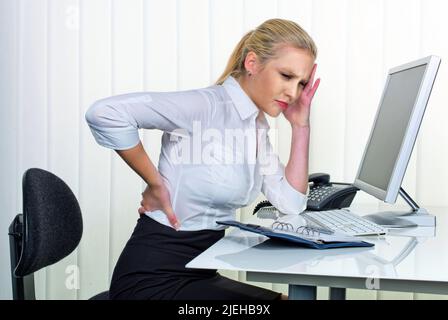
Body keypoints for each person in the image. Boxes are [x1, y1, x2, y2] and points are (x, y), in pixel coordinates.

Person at [85, 18, 320, 300]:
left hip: (199, 271)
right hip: (152, 280)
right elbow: (105, 113)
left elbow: (291, 203)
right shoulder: (205, 106)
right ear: (253, 63)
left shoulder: (255, 126)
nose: (293, 93)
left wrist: (300, 127)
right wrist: (154, 182)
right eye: (286, 76)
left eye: (302, 83)